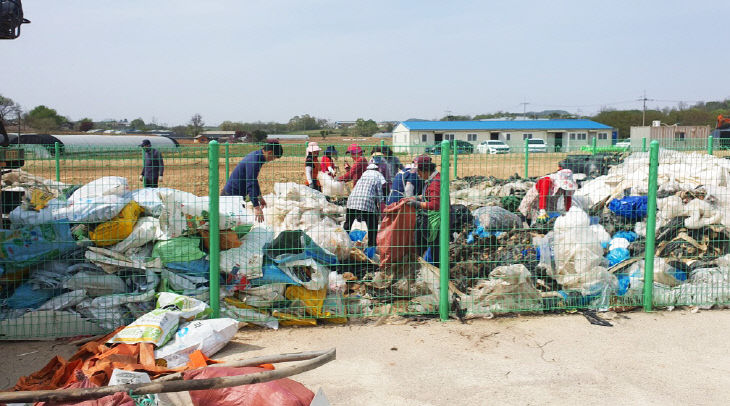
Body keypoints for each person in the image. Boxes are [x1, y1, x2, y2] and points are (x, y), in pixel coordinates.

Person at [223, 140, 283, 223]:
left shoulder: (257, 156)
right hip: (232, 194)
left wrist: (259, 197)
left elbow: (254, 181)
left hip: (237, 193)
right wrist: (256, 207)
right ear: (269, 152)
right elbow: (251, 183)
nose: (271, 160)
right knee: (230, 221)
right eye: (273, 157)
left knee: (235, 221)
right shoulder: (254, 160)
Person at [406, 155, 442, 263]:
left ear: (425, 171)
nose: (418, 174)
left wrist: (417, 204)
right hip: (431, 221)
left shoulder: (435, 183)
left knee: (435, 252)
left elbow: (435, 204)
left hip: (436, 223)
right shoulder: (432, 180)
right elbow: (428, 196)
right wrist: (417, 198)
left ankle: (436, 275)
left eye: (419, 172)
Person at [344, 158, 386, 247]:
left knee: (347, 225)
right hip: (366, 203)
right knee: (372, 226)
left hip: (352, 201)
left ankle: (344, 243)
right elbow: (380, 197)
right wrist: (381, 212)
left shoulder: (363, 176)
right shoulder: (377, 176)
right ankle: (372, 246)